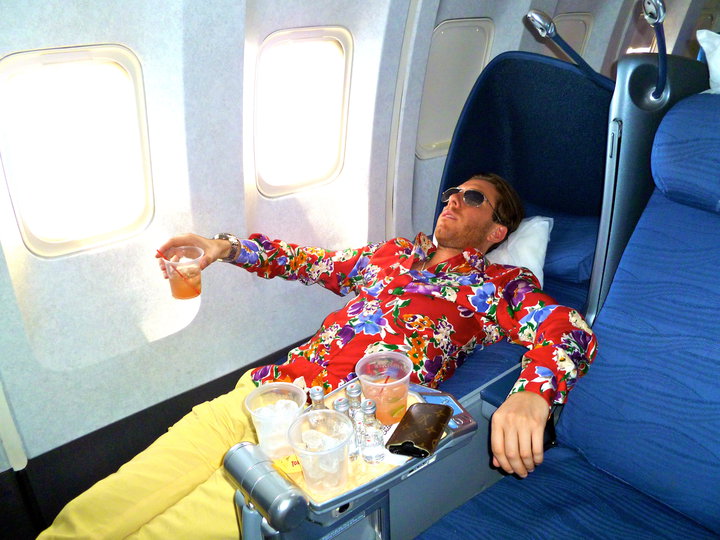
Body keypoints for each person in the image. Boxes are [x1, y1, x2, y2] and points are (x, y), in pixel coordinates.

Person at [39, 173, 597, 539]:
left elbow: (568, 328)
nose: (452, 198)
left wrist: (532, 394)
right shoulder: (391, 254)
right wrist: (224, 248)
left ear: (498, 229)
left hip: (325, 430)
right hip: (264, 394)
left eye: (472, 197)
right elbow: (308, 262)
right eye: (453, 191)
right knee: (94, 514)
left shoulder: (497, 286)